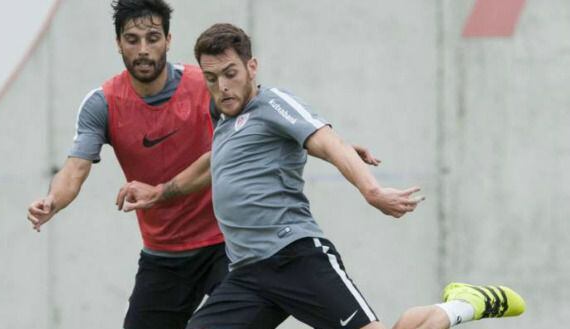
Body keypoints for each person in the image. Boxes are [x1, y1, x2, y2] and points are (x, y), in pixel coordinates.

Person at [117, 23, 525, 329]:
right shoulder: (224, 120)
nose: (221, 87)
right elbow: (212, 165)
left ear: (251, 66)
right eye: (211, 78)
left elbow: (326, 142)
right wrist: (160, 192)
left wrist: (372, 190)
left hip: (295, 257)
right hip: (247, 274)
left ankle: (459, 306)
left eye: (230, 73)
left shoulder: (273, 104)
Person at [26, 1, 380, 328]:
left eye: (152, 38)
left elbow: (274, 123)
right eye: (132, 40)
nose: (144, 49)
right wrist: (52, 201)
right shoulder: (102, 103)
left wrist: (339, 146)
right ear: (118, 43)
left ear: (168, 39)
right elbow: (74, 169)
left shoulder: (209, 84)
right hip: (163, 253)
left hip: (224, 248)